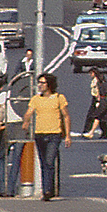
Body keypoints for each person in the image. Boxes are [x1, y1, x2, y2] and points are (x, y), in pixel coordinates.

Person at [24, 73, 71, 201]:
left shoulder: (59, 98)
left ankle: (48, 190)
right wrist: (26, 122)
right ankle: (46, 189)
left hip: (54, 134)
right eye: (39, 82)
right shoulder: (35, 99)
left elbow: (66, 116)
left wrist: (67, 135)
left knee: (50, 161)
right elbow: (29, 112)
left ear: (49, 84)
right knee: (44, 163)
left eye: (42, 83)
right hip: (40, 134)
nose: (39, 85)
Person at [83, 69, 107, 139]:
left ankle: (90, 131)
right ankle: (104, 132)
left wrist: (99, 101)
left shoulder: (98, 81)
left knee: (96, 115)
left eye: (91, 73)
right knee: (103, 116)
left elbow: (100, 91)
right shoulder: (94, 80)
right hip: (96, 99)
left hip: (99, 100)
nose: (90, 75)